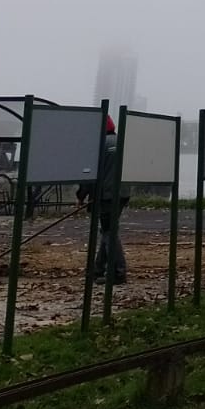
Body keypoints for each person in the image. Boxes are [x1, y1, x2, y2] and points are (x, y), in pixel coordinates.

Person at [76, 115, 128, 283]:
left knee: (109, 232)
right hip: (123, 193)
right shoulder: (122, 141)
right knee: (108, 230)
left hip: (106, 195)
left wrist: (81, 196)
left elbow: (89, 174)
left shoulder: (98, 145)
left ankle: (118, 273)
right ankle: (98, 270)